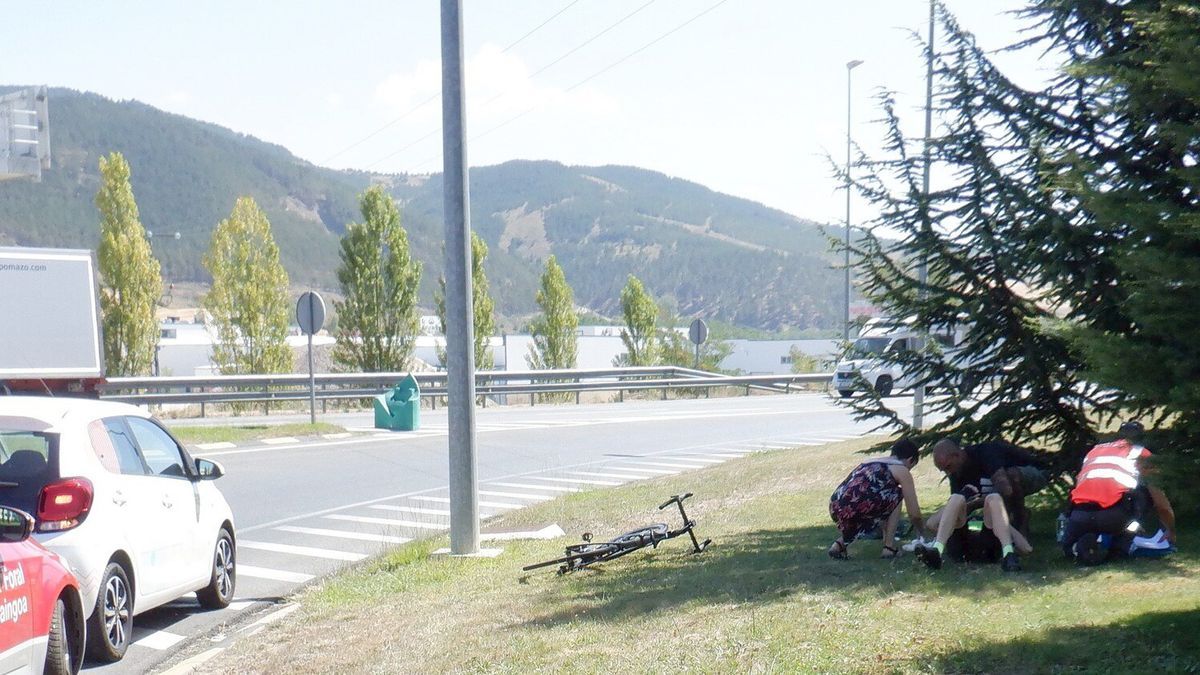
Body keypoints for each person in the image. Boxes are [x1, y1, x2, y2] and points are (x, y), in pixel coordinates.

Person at [1062, 421, 1177, 565]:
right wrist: (1170, 531)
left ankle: (1079, 546)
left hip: (1079, 514)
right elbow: (1162, 505)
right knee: (1142, 495)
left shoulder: (1094, 451)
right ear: (1142, 438)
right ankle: (1120, 547)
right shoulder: (1141, 453)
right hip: (1113, 517)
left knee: (1068, 548)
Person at [914, 438, 1036, 572]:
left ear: (958, 455)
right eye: (944, 470)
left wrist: (1000, 520)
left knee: (993, 498)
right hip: (962, 542)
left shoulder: (984, 456)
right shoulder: (956, 477)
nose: (949, 473)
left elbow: (1026, 549)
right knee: (956, 498)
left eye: (948, 467)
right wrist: (966, 500)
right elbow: (932, 523)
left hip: (991, 541)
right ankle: (937, 550)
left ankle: (1008, 554)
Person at [828, 438, 926, 560]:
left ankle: (838, 546)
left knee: (875, 506)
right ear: (910, 460)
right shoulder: (901, 469)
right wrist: (922, 532)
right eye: (911, 466)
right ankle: (888, 548)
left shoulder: (871, 462)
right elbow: (914, 513)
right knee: (897, 495)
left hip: (836, 504)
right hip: (857, 505)